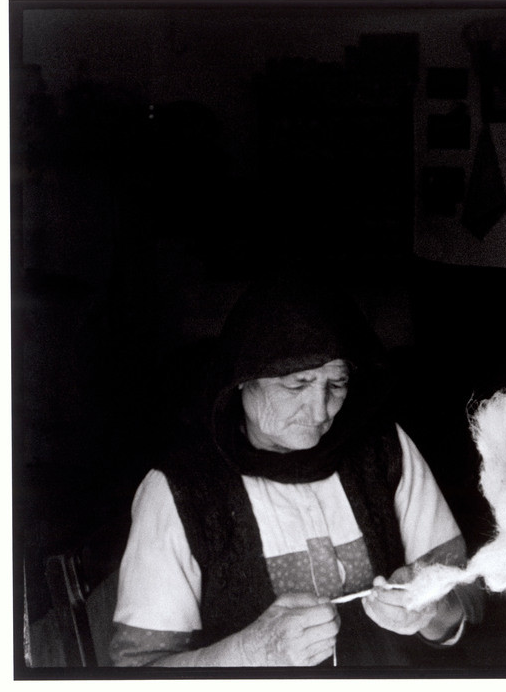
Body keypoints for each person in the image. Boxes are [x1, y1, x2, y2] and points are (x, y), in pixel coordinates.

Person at [110, 273, 483, 666]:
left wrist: (432, 610)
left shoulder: (384, 448)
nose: (321, 411)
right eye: (295, 386)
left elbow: (468, 602)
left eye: (336, 384)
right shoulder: (179, 490)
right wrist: (249, 652)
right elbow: (138, 671)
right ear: (242, 381)